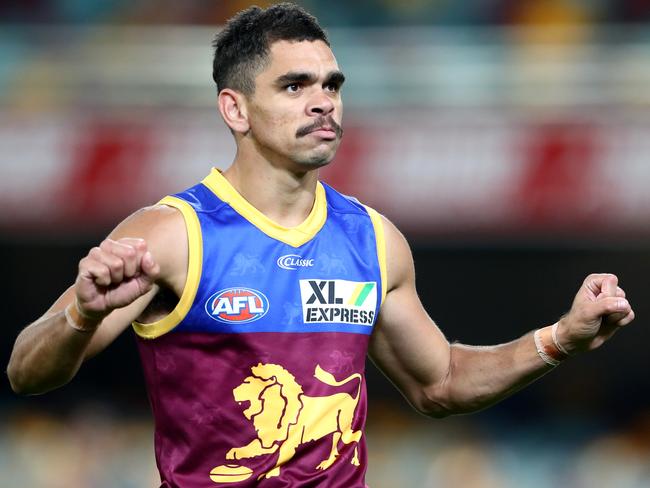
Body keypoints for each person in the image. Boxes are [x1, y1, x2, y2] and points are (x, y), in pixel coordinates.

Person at [7, 3, 635, 487]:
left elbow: (439, 383)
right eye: (294, 86)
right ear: (236, 109)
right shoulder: (171, 235)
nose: (324, 104)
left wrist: (560, 339)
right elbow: (25, 373)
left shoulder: (373, 240)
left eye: (332, 85)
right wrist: (81, 313)